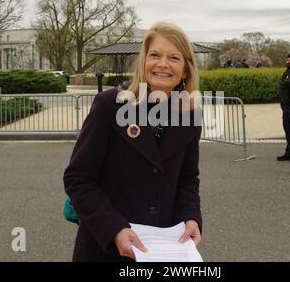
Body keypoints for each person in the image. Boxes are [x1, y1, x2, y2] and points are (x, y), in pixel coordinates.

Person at [63, 21, 203, 262]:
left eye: (174, 57)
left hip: (161, 249)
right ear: (144, 61)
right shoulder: (109, 105)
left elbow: (187, 179)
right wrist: (114, 228)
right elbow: (78, 178)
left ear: (186, 69)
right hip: (105, 247)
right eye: (155, 55)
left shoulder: (189, 115)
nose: (163, 64)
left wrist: (191, 217)